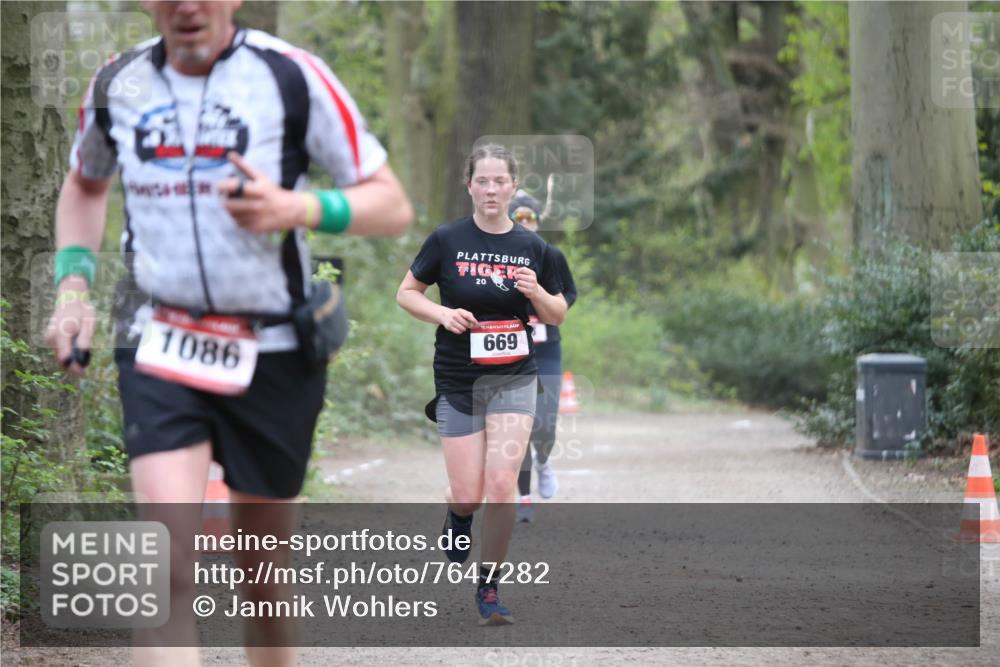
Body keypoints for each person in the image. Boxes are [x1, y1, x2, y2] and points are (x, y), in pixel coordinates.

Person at [45, 2, 412, 665]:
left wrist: (299, 206)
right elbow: (85, 185)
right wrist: (73, 287)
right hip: (158, 338)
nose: (188, 5)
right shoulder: (118, 83)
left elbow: (391, 203)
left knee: (263, 578)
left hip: (272, 349)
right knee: (165, 567)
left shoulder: (292, 77)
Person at [396, 144, 567, 625]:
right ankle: (458, 513)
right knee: (469, 492)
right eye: (482, 181)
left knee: (501, 484)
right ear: (469, 185)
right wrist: (443, 313)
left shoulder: (535, 248)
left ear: (513, 187)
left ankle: (489, 589)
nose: (491, 189)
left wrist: (536, 293)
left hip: (514, 374)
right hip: (458, 376)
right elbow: (406, 293)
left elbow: (559, 313)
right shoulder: (447, 239)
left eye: (500, 181)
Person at [507, 190, 577, 523]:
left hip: (546, 349)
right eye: (517, 218)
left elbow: (570, 293)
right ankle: (523, 497)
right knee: (518, 427)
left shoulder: (551, 256)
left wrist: (547, 307)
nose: (523, 224)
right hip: (512, 350)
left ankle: (544, 460)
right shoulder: (497, 256)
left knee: (544, 424)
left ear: (537, 221)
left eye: (528, 218)